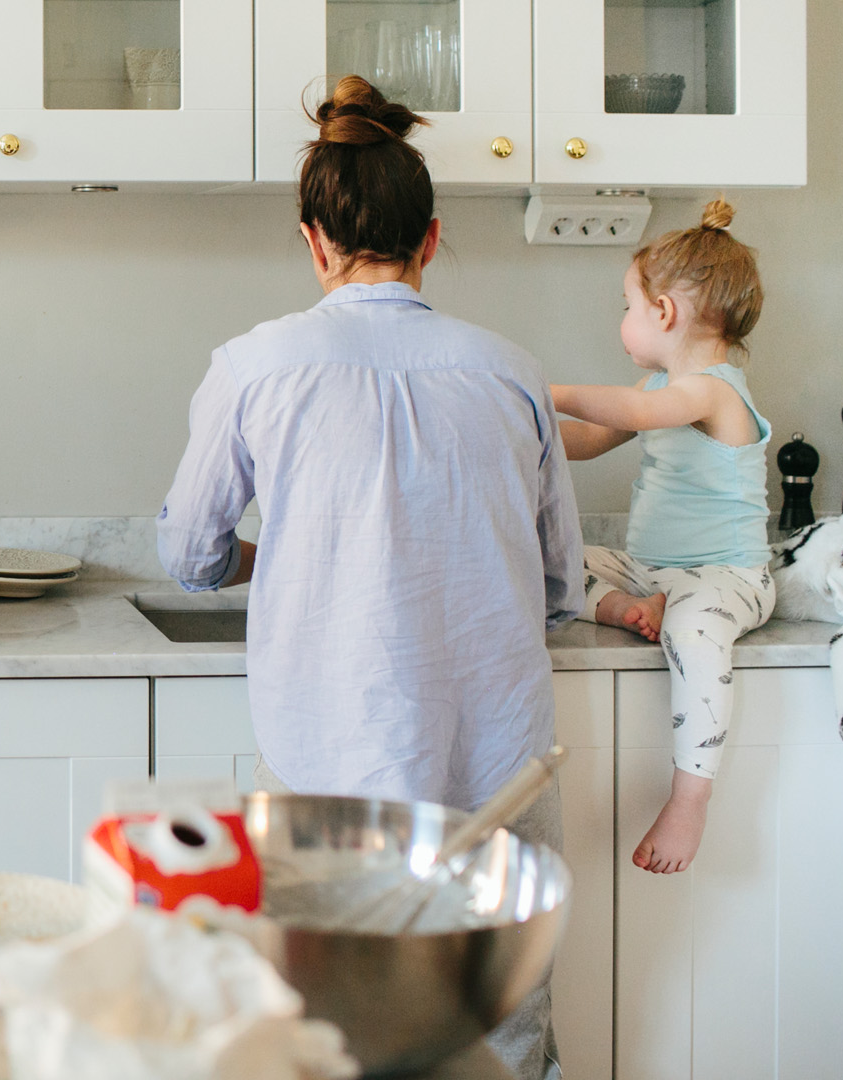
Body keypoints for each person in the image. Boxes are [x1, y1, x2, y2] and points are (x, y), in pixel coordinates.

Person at [156, 76, 582, 1080]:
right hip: (500, 772)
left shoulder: (255, 367)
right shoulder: (512, 369)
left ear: (313, 239)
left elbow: (189, 554)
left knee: (327, 1033)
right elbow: (561, 582)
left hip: (329, 775)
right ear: (431, 239)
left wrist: (289, 551)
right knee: (498, 1027)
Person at [551, 199, 773, 876]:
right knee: (541, 555)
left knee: (695, 633)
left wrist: (543, 388)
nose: (623, 321)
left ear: (665, 312)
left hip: (725, 576)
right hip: (651, 570)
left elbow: (642, 414)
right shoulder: (660, 384)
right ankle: (624, 607)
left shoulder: (713, 391)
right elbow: (590, 442)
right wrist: (520, 425)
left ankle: (689, 798)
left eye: (627, 305)